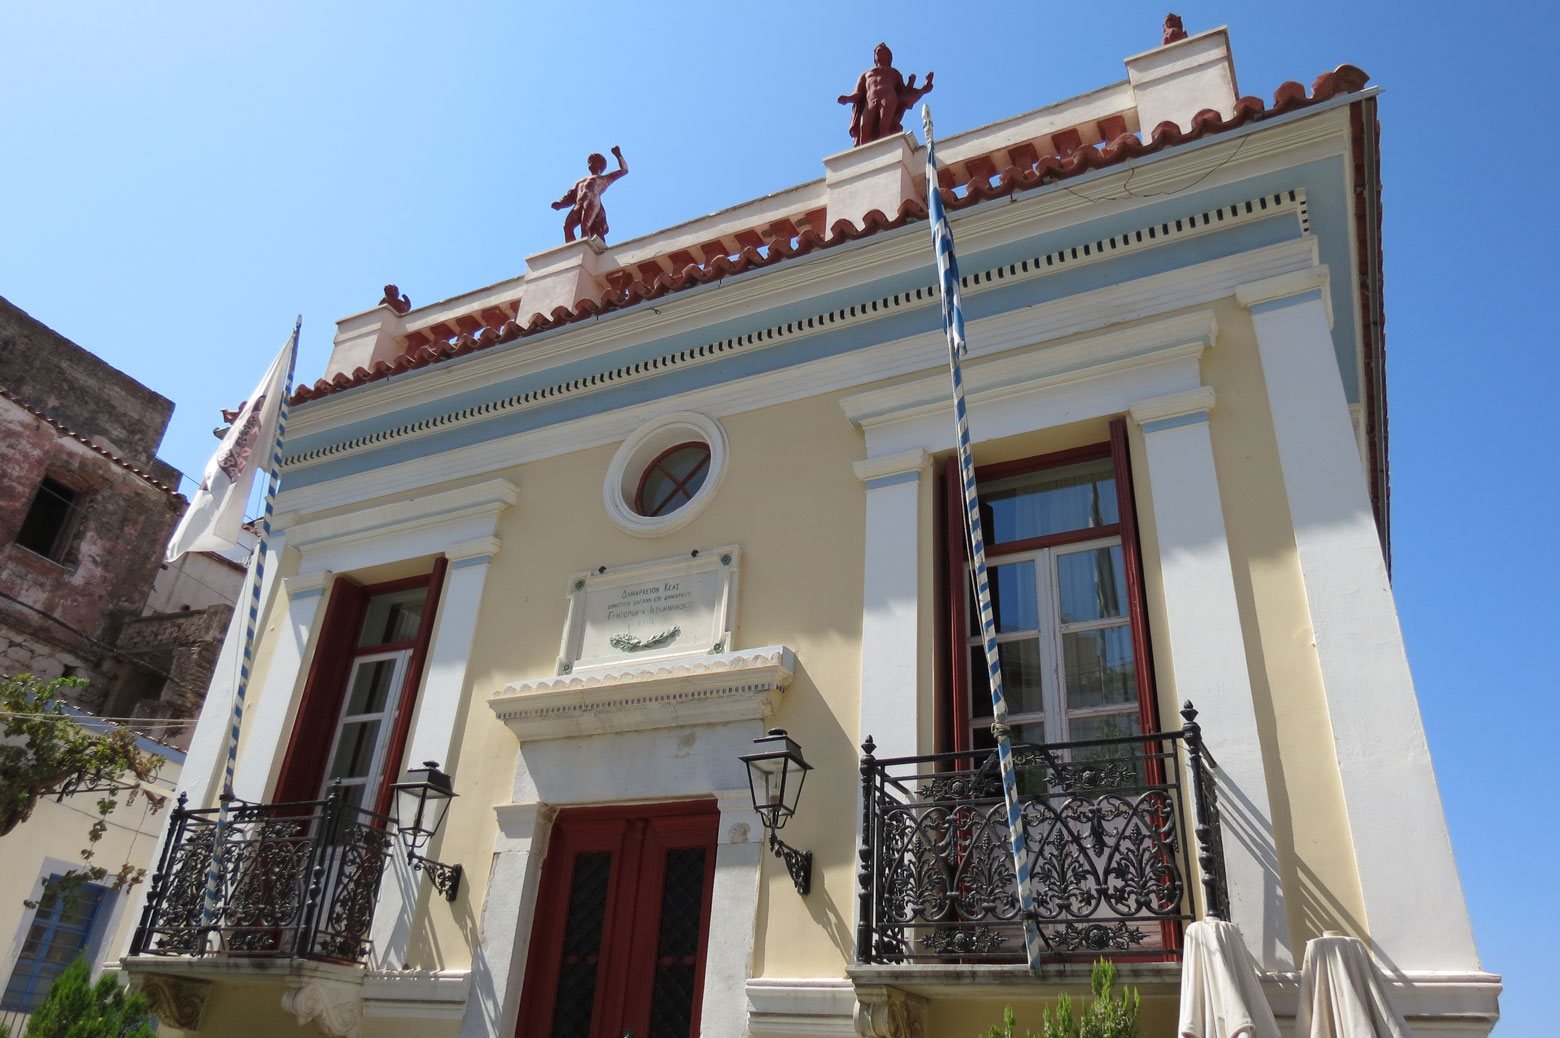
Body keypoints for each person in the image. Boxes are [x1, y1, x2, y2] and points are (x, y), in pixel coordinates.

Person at [837, 43, 934, 147]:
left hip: (888, 98)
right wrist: (847, 99)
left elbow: (903, 92)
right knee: (864, 126)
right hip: (871, 101)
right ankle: (866, 156)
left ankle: (886, 152)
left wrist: (913, 84)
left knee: (884, 126)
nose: (878, 53)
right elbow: (858, 94)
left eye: (881, 51)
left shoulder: (894, 72)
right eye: (876, 52)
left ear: (888, 56)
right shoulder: (866, 74)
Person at [551, 146, 628, 243]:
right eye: (589, 161)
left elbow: (624, 170)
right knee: (567, 226)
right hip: (579, 204)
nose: (590, 163)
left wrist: (618, 155)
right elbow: (570, 196)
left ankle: (586, 247)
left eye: (593, 160)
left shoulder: (603, 179)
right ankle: (573, 249)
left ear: (600, 165)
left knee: (585, 226)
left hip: (591, 200)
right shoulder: (579, 181)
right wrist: (561, 204)